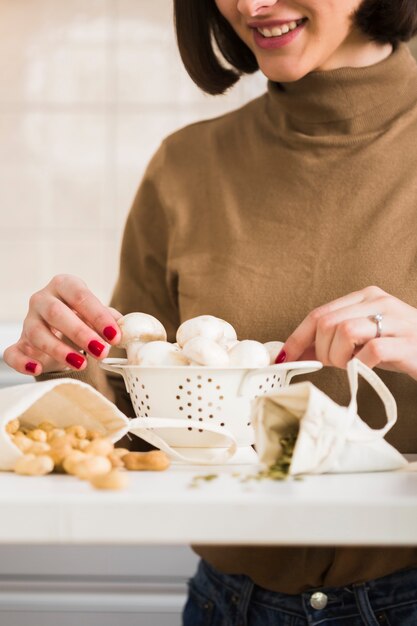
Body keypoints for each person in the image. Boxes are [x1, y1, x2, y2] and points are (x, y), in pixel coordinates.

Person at [4, 0, 417, 623]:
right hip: (230, 604)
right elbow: (136, 419)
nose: (250, 4)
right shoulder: (185, 166)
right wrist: (64, 361)